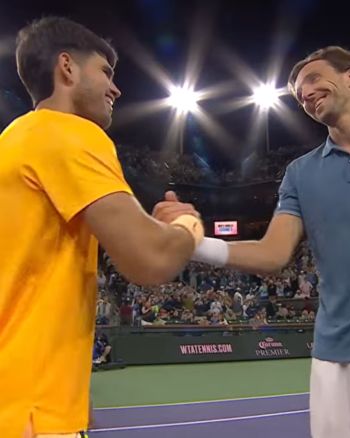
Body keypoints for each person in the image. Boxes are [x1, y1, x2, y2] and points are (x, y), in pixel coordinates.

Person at [156, 46, 350, 438]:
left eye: (314, 79)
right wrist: (190, 241)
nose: (306, 93)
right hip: (332, 356)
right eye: (299, 94)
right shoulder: (300, 173)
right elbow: (272, 253)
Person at [0, 17, 203, 438]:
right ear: (67, 68)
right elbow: (150, 260)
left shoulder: (13, 141)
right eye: (106, 72)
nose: (116, 88)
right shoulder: (69, 132)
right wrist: (187, 224)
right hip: (31, 412)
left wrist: (73, 391)